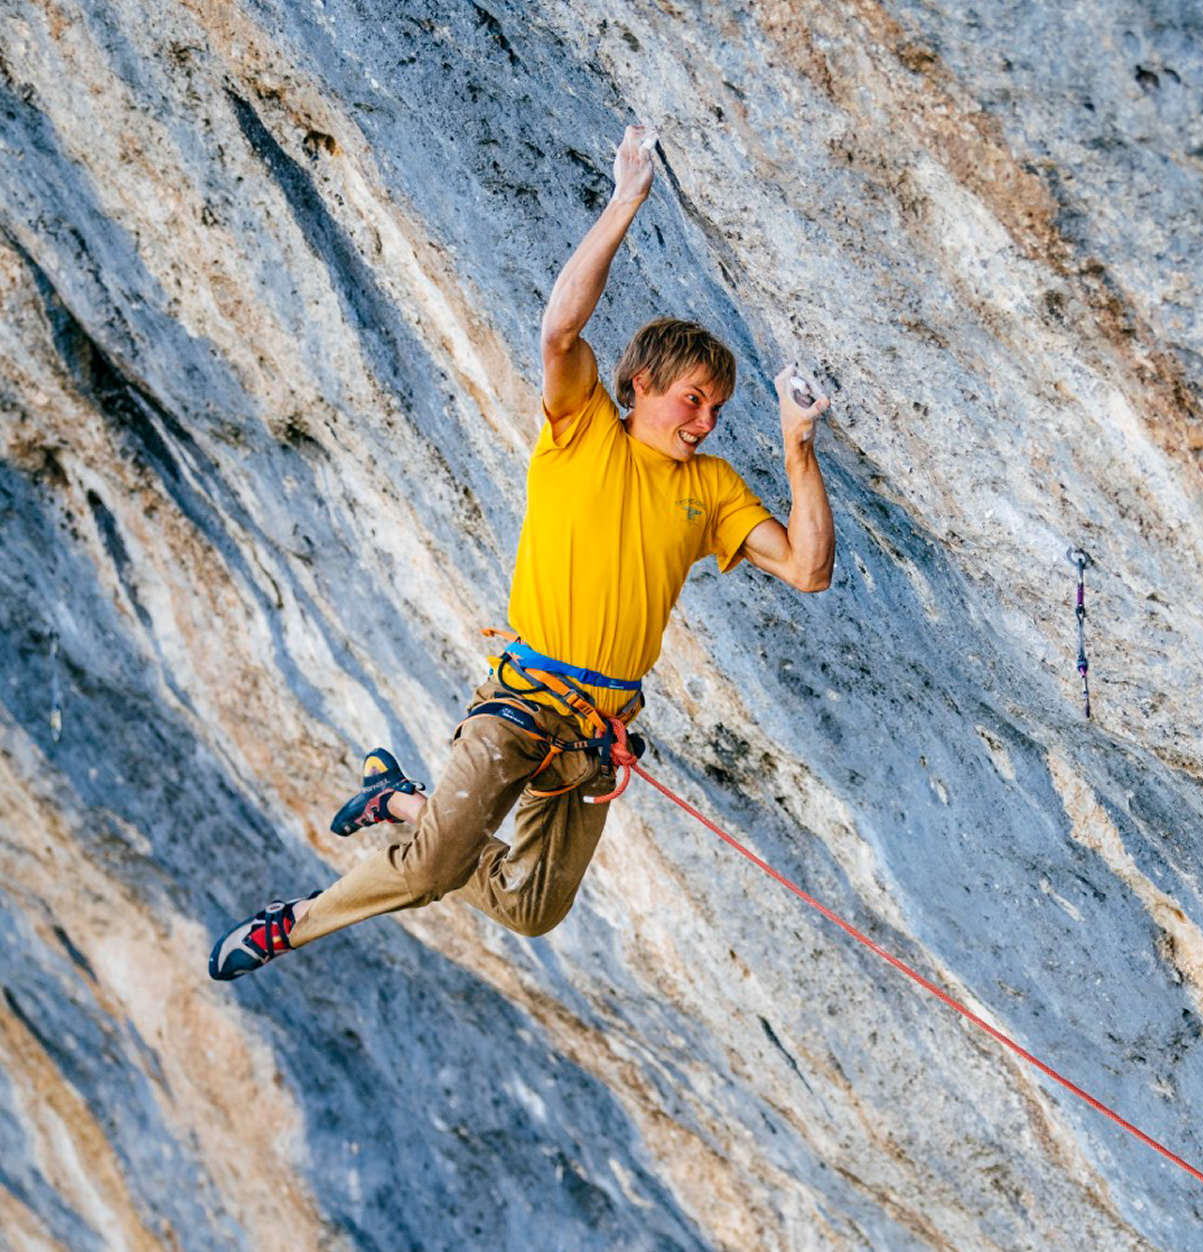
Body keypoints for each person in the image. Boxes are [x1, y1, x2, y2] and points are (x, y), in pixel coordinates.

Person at [209, 122, 834, 981]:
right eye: (694, 400)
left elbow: (807, 569)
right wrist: (625, 200)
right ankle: (294, 924)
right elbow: (558, 330)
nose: (706, 421)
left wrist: (797, 445)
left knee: (536, 910)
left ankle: (399, 802)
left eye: (719, 410)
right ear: (640, 386)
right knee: (429, 870)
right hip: (521, 704)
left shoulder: (714, 489)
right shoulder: (583, 434)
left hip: (596, 731)